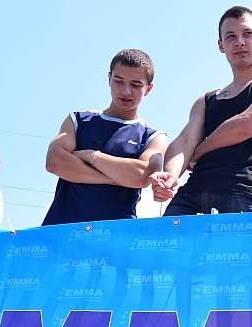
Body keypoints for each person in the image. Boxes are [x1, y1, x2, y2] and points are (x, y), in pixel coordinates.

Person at [150, 6, 252, 215]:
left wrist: (199, 151)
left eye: (248, 33)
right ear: (221, 45)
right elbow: (184, 141)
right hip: (189, 196)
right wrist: (170, 176)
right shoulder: (206, 100)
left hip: (242, 194)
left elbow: (248, 123)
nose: (240, 42)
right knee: (163, 237)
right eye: (231, 36)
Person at [42, 49, 168, 225]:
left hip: (117, 234)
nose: (126, 91)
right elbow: (54, 162)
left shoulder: (153, 137)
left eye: (135, 85)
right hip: (62, 230)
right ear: (109, 79)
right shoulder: (77, 120)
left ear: (148, 88)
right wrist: (119, 177)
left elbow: (141, 175)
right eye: (119, 81)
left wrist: (90, 156)